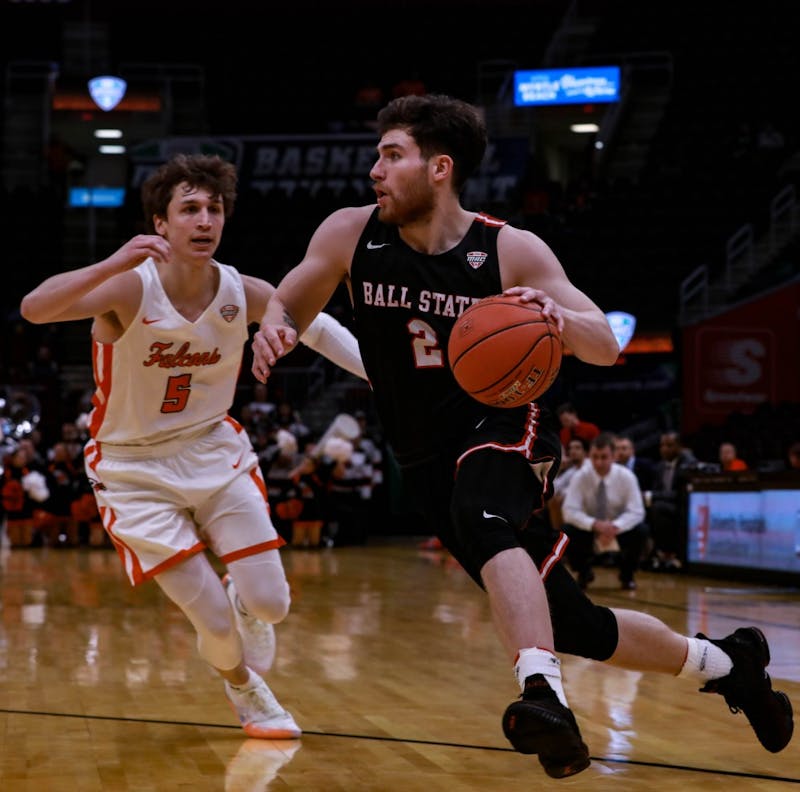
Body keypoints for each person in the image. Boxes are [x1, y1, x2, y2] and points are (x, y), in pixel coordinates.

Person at [250, 95, 794, 775]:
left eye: (392, 155)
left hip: (504, 423)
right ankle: (732, 663)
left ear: (439, 167)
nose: (374, 170)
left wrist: (558, 321)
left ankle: (543, 696)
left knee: (484, 513)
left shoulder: (507, 249)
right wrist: (274, 324)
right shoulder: (348, 234)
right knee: (577, 625)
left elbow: (605, 344)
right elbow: (289, 298)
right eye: (378, 155)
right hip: (420, 454)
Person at [19, 153, 368, 741]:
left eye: (214, 208)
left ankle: (245, 596)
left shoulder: (241, 289)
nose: (204, 220)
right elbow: (35, 308)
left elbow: (318, 326)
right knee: (212, 623)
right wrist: (110, 261)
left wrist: (383, 375)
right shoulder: (129, 288)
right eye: (189, 209)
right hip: (132, 468)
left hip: (211, 448)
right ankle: (244, 689)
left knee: (273, 604)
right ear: (161, 223)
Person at [561, 433, 648, 590]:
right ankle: (583, 571)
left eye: (604, 457)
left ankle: (627, 575)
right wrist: (594, 524)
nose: (599, 462)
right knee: (566, 530)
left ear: (614, 456)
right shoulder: (580, 477)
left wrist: (614, 526)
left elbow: (637, 511)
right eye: (595, 457)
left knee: (641, 531)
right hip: (589, 529)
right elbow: (569, 511)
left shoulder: (627, 477)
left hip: (618, 530)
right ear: (589, 456)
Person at [645, 431, 698, 571]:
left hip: (683, 507)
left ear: (679, 447)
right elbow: (657, 490)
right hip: (664, 505)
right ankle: (652, 555)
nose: (664, 448)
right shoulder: (659, 467)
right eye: (662, 445)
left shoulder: (687, 463)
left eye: (669, 445)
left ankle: (668, 554)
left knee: (658, 508)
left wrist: (652, 496)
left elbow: (681, 494)